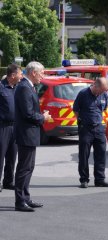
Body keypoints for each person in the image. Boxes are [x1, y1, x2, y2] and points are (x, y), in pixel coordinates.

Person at [14, 61, 51, 212]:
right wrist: (43, 117)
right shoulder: (24, 87)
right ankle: (20, 201)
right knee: (24, 168)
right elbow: (28, 113)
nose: (43, 75)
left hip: (30, 133)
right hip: (26, 134)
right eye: (41, 72)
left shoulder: (29, 86)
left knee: (29, 167)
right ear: (33, 72)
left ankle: (26, 198)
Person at [73, 77, 108, 189]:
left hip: (99, 128)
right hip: (86, 128)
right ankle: (84, 180)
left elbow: (103, 108)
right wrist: (82, 121)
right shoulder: (83, 94)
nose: (103, 92)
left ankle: (100, 180)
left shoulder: (103, 94)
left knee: (101, 155)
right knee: (84, 155)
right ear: (96, 86)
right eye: (102, 90)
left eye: (105, 90)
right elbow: (76, 109)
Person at [0, 64, 22, 192]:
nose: (21, 76)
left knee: (12, 155)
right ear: (12, 75)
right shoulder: (1, 87)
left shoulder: (17, 88)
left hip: (15, 126)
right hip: (2, 126)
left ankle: (8, 181)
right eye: (20, 74)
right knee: (0, 155)